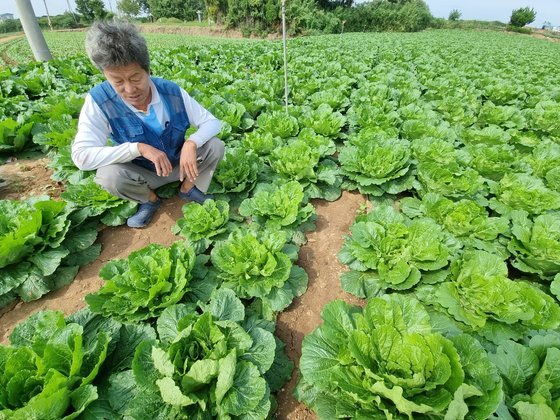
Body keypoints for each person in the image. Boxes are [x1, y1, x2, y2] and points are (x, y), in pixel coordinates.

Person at [72, 21, 224, 228]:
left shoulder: (171, 91)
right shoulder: (99, 101)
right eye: (117, 81)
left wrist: (192, 143)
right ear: (105, 75)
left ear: (147, 70)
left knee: (215, 145)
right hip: (142, 175)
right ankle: (149, 200)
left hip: (181, 166)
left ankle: (188, 189)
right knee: (108, 176)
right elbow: (81, 156)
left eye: (135, 78)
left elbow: (212, 122)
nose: (129, 89)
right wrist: (137, 149)